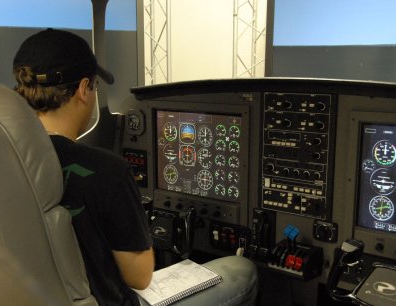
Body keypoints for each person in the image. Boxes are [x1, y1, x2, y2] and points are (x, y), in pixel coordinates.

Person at [13, 28, 258, 306]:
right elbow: (140, 278)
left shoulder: (0, 161)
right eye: (95, 87)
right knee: (243, 270)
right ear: (83, 89)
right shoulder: (106, 170)